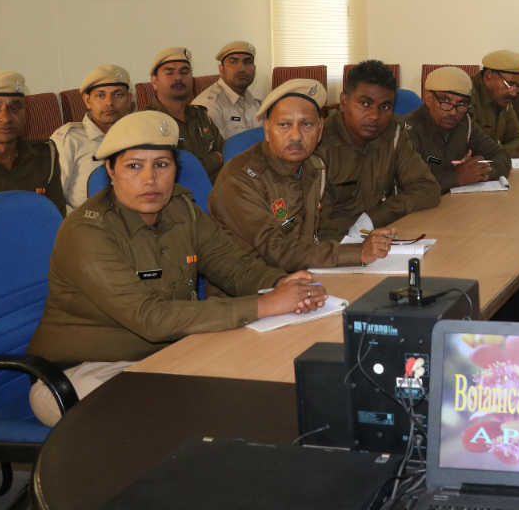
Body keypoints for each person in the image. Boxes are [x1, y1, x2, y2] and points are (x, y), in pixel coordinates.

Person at [26, 111, 327, 426]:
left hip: (167, 352)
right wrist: (265, 303)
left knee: (264, 377)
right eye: (133, 166)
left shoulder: (183, 210)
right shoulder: (88, 231)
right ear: (110, 171)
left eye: (161, 164)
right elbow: (151, 318)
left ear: (175, 170)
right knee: (192, 415)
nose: (149, 179)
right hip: (81, 371)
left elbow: (235, 267)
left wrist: (280, 284)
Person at [209, 78, 395, 275]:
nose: (296, 136)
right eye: (284, 125)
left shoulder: (313, 167)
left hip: (299, 275)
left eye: (306, 124)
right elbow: (276, 250)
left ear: (320, 130)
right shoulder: (239, 178)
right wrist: (356, 252)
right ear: (267, 129)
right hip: (251, 289)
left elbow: (309, 238)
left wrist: (364, 241)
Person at [316, 59, 440, 239]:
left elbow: (428, 189)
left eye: (385, 107)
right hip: (335, 248)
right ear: (344, 102)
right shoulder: (319, 143)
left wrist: (372, 218)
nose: (375, 116)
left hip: (382, 236)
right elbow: (313, 227)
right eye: (365, 104)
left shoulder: (393, 133)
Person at [0, 70, 66, 213]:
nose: (6, 118)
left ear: (26, 113)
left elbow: (56, 217)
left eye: (14, 108)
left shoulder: (45, 154)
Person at [404, 67, 511, 193]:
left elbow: (501, 155)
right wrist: (457, 177)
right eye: (445, 101)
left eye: (461, 103)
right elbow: (408, 187)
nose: (453, 112)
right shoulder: (407, 132)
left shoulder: (465, 123)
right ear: (428, 98)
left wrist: (480, 172)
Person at [51, 65, 132, 210]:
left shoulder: (138, 136)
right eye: (100, 95)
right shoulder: (69, 140)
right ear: (87, 101)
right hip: (86, 224)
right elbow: (54, 199)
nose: (109, 102)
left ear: (129, 100)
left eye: (118, 95)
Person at [144, 47, 225, 184]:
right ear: (154, 81)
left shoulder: (201, 116)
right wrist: (214, 159)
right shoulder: (145, 122)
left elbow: (225, 154)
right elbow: (169, 173)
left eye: (185, 72)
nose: (178, 78)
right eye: (169, 73)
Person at [470, 50, 519, 158]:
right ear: (489, 76)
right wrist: (516, 151)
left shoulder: (503, 98)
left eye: (518, 86)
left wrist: (504, 150)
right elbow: (469, 149)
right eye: (510, 84)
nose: (514, 94)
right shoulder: (464, 97)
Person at [192, 40, 262, 140]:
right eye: (233, 62)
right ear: (221, 69)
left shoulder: (256, 104)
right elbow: (213, 153)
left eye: (247, 62)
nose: (241, 68)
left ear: (254, 68)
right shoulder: (209, 106)